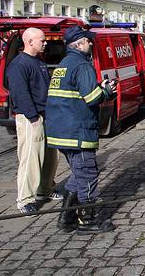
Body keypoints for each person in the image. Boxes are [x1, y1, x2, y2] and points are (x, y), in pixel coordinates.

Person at [46, 27, 117, 233]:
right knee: (87, 174)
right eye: (88, 41)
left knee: (77, 174)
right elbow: (93, 98)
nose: (91, 44)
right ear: (78, 45)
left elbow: (75, 92)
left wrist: (96, 86)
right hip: (77, 131)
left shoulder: (63, 65)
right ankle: (87, 220)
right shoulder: (82, 65)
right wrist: (106, 90)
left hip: (61, 131)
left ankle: (66, 218)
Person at [6, 28, 61, 214]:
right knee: (31, 158)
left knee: (50, 156)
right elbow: (20, 94)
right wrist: (33, 117)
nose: (45, 43)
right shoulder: (19, 65)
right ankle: (25, 199)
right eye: (42, 40)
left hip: (45, 115)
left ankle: (45, 190)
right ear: (29, 42)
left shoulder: (38, 61)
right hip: (31, 118)